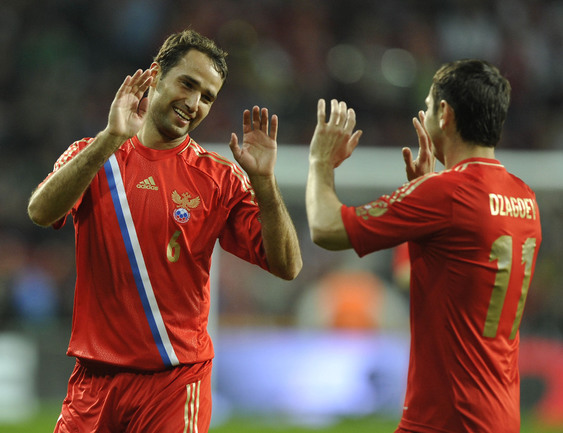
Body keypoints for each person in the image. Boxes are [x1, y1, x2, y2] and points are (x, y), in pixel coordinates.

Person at [28, 29, 302, 432]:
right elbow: (40, 211)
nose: (194, 103)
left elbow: (287, 265)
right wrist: (110, 139)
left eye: (207, 97)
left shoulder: (219, 179)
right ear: (155, 75)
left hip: (173, 384)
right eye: (187, 84)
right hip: (94, 381)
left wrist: (265, 183)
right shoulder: (95, 154)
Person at [306, 59, 541, 433]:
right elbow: (451, 266)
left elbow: (326, 228)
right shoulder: (524, 197)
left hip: (448, 417)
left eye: (429, 106)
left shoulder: (445, 194)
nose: (424, 113)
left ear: (445, 114)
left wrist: (320, 161)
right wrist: (422, 209)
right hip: (499, 414)